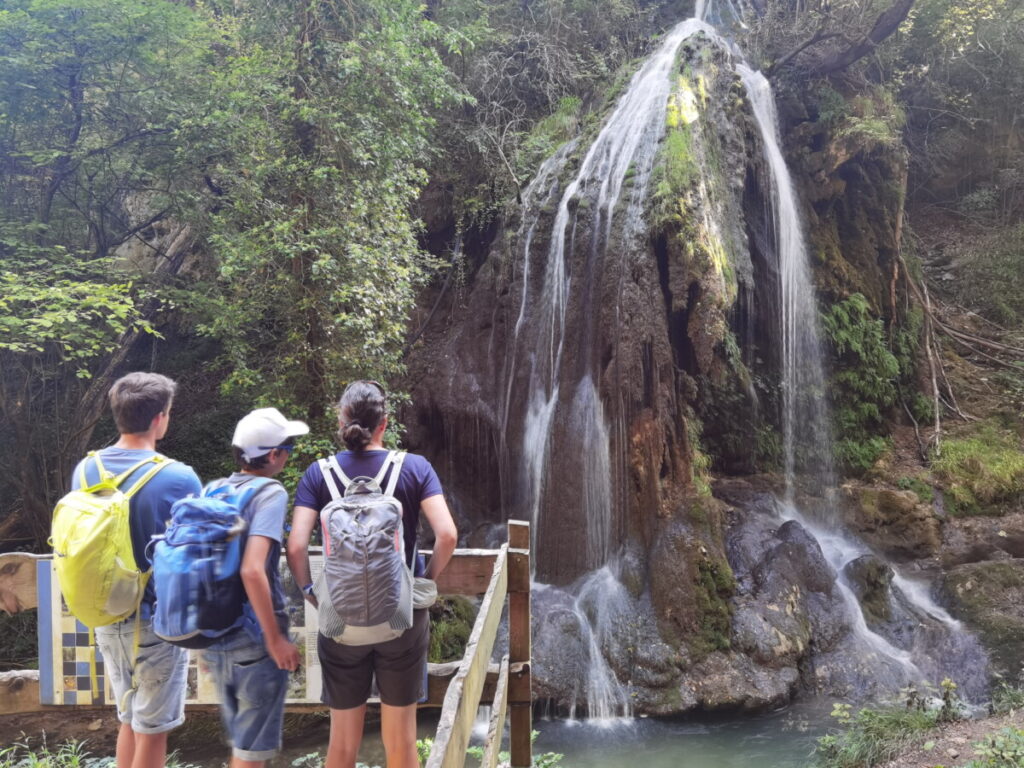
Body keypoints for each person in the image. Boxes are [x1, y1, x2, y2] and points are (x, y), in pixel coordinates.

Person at [288, 380, 458, 768]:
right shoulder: (415, 468)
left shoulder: (319, 474)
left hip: (340, 618)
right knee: (401, 742)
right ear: (385, 423)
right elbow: (447, 534)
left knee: (342, 745)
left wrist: (311, 592)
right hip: (402, 619)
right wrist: (420, 583)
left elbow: (296, 546)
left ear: (342, 421)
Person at [70, 372, 201, 768]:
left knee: (130, 717)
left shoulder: (86, 470)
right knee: (153, 729)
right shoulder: (179, 477)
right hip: (157, 620)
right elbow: (195, 550)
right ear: (160, 417)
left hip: (106, 612)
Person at [201, 407, 307, 768]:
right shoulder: (270, 492)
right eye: (288, 448)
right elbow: (252, 570)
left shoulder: (213, 489)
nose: (289, 456)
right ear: (274, 455)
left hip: (216, 632)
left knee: (242, 743)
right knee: (252, 752)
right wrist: (275, 638)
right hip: (253, 638)